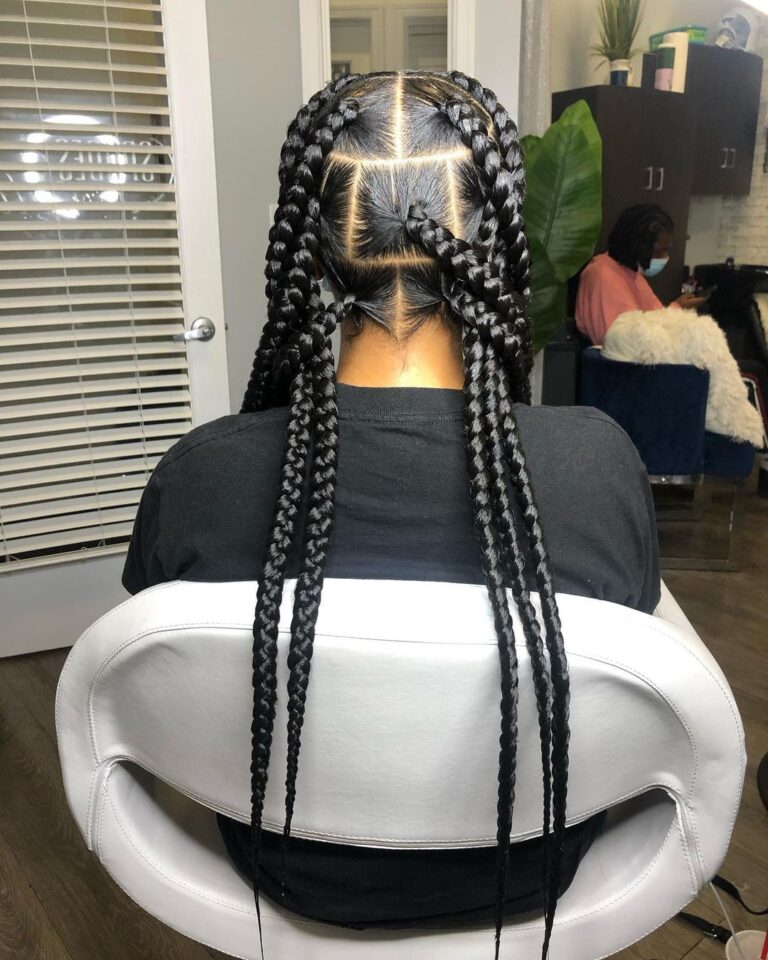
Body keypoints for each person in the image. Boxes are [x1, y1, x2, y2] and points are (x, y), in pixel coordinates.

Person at [122, 72, 660, 956]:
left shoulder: (200, 478)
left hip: (287, 869)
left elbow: (156, 682)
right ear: (496, 250)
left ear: (310, 250)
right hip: (527, 872)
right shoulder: (596, 469)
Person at [576, 204, 709, 345]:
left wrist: (678, 307)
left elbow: (654, 318)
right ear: (637, 246)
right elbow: (622, 342)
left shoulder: (630, 271)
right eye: (659, 251)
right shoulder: (604, 276)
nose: (664, 257)